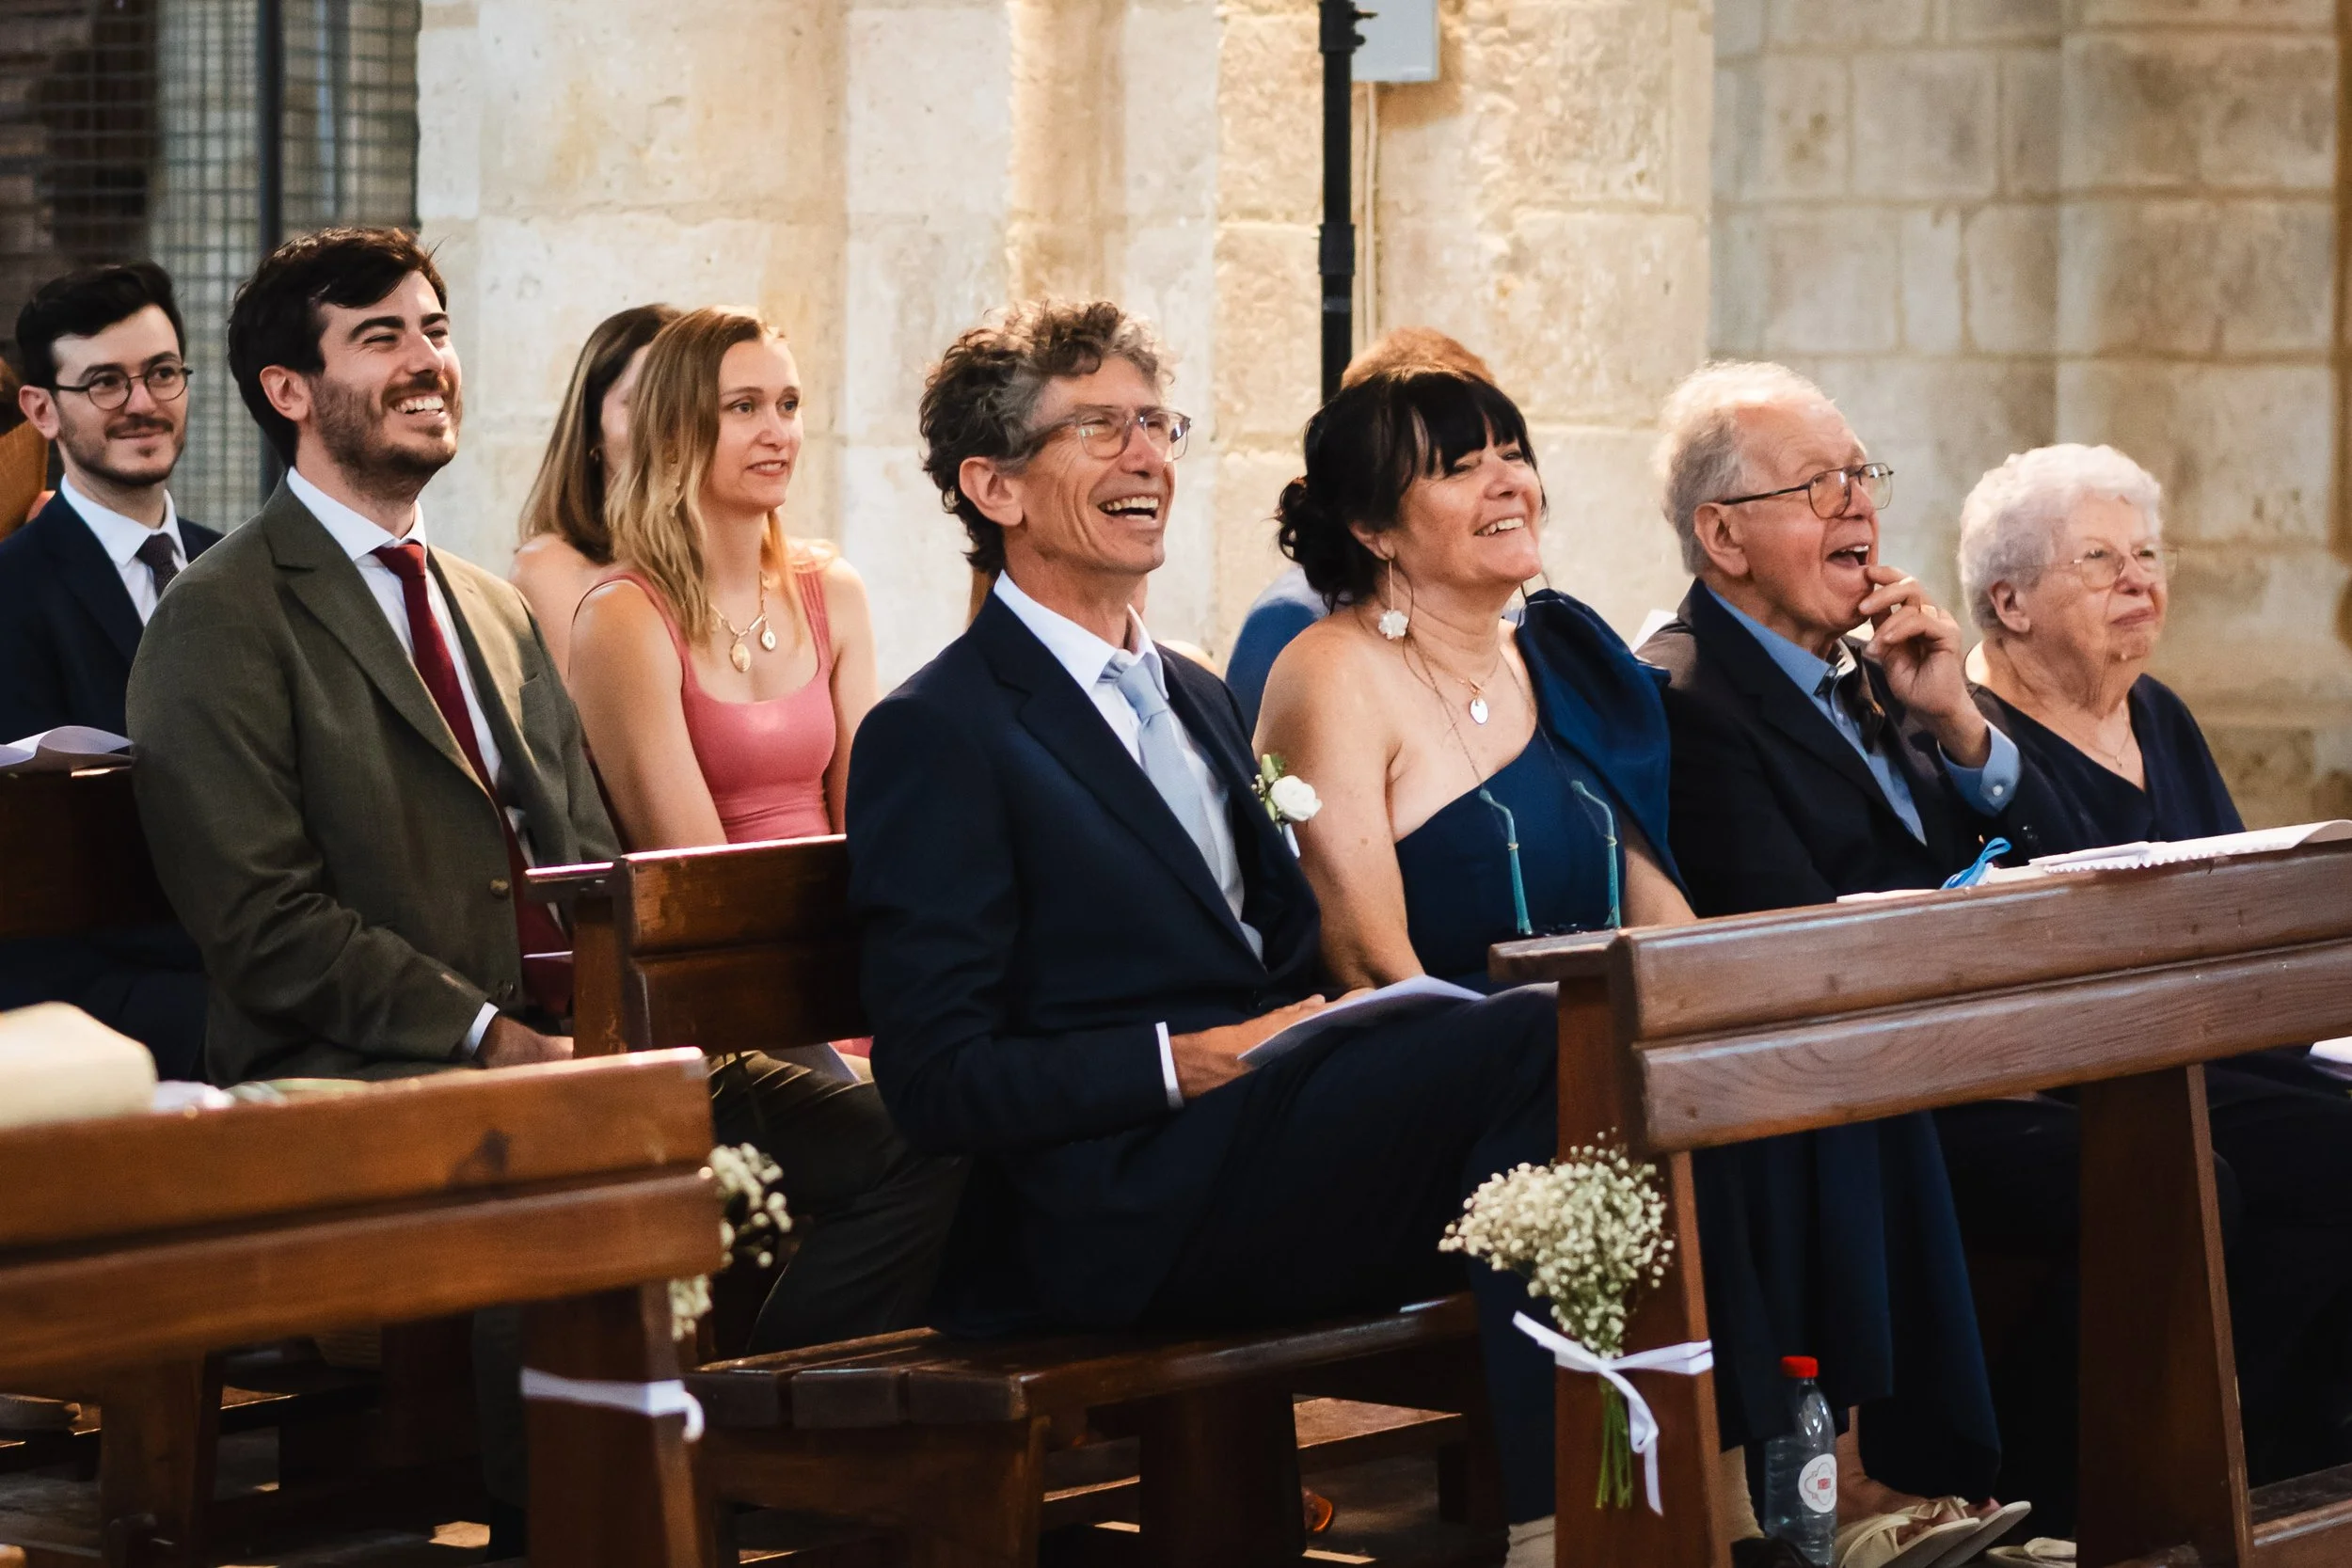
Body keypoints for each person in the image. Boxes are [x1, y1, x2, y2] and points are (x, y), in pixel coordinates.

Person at [124, 227, 959, 1552]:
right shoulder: (222, 617)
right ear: (290, 389)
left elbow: (589, 856)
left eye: (438, 331)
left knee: (913, 1134)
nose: (427, 362)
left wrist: (641, 1024)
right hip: (366, 1064)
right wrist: (503, 1035)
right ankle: (564, 1518)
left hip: (582, 1040)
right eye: (382, 336)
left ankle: (757, 1443)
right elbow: (263, 923)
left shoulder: (490, 604)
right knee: (564, 1146)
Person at [849, 299, 1567, 1566]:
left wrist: (1337, 1021)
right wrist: (1185, 1058)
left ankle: (1722, 1484)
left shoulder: (1194, 689)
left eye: (1156, 422)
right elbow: (933, 1076)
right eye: (1100, 428)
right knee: (1541, 1046)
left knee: (1624, 1061)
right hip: (1119, 1205)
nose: (1147, 456)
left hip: (1266, 1149)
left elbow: (1276, 952)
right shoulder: (943, 730)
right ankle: (1570, 1522)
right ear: (993, 484)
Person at [1638, 362, 2043, 1528]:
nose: (1859, 505)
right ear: (1722, 534)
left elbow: (2050, 854)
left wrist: (1960, 719)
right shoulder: (1686, 692)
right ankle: (1958, 1485)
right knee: (2163, 1171)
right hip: (1854, 1089)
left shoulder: (1882, 671)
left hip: (1970, 1053)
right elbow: (1793, 933)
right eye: (1819, 485)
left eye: (1862, 475)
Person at [1945, 443, 2352, 1513]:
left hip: (2217, 1042)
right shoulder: (1963, 737)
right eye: (2099, 559)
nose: (2139, 580)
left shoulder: (2157, 712)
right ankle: (2194, 1463)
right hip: (2083, 1065)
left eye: (2146, 554)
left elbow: (2235, 896)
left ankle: (2291, 1450)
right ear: (2010, 600)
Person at [0, 262, 216, 1079]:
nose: (142, 402)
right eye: (105, 382)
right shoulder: (10, 596)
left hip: (250, 959)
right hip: (84, 993)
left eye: (162, 372)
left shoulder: (238, 566)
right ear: (41, 409)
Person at [568, 307, 876, 847]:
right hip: (709, 924)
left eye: (789, 405)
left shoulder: (834, 589)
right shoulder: (621, 618)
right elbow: (700, 876)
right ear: (670, 433)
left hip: (849, 921)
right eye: (744, 407)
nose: (777, 433)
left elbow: (872, 830)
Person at [1224, 328, 1498, 725]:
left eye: (1508, 452)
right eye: (1459, 466)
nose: (1499, 483)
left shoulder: (1509, 620)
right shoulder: (1294, 621)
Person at [511, 303, 676, 676]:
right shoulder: (551, 569)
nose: (666, 426)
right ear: (591, 429)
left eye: (683, 404)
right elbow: (584, 727)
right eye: (641, 403)